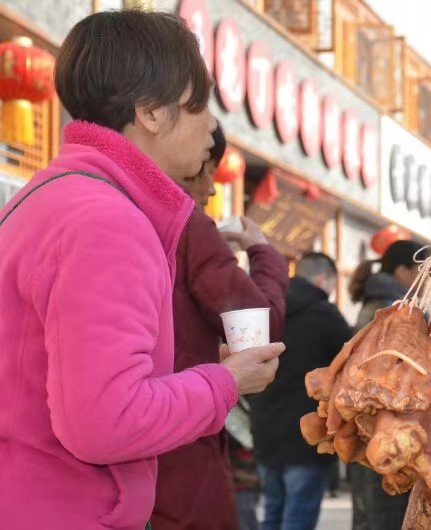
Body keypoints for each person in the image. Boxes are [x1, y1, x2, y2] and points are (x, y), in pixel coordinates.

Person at [0, 11, 283, 529]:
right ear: (151, 112)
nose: (213, 125)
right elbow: (104, 421)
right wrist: (224, 382)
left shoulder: (47, 196)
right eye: (202, 103)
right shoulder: (107, 219)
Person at [151, 124, 289, 529]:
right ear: (153, 117)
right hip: (180, 440)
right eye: (205, 167)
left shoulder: (99, 205)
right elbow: (257, 327)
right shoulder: (186, 222)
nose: (211, 187)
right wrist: (264, 254)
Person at [250, 252, 353, 530]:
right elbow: (352, 359)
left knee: (273, 511)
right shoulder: (324, 313)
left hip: (264, 428)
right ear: (322, 279)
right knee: (298, 515)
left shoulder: (267, 309)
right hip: (306, 432)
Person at [347, 240, 428, 530]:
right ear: (404, 270)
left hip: (372, 430)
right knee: (383, 517)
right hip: (382, 428)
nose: (425, 279)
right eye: (422, 271)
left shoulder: (380, 303)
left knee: (370, 516)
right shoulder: (391, 309)